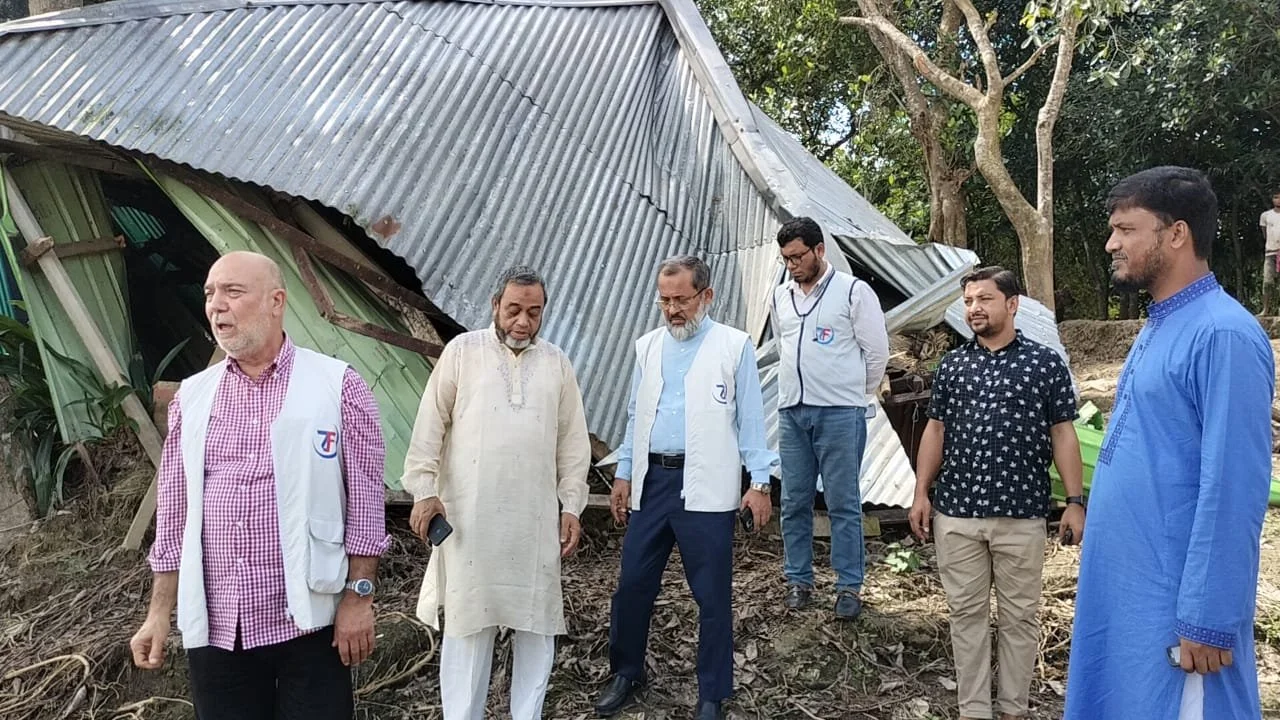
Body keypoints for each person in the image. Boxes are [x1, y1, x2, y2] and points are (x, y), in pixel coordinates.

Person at [128, 251, 389, 720]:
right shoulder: (192, 396)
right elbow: (174, 513)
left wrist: (358, 597)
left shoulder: (337, 386)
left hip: (309, 621)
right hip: (218, 626)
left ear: (276, 301)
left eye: (232, 291)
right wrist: (158, 612)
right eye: (210, 293)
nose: (216, 306)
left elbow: (366, 508)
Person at [1065, 167, 1274, 719]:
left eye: (1125, 229)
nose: (1111, 243)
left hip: (1177, 615)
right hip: (1127, 591)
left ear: (1176, 234)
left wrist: (1209, 616)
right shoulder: (1161, 323)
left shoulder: (1222, 334)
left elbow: (1233, 489)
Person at [402, 266, 591, 720]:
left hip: (533, 518)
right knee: (468, 625)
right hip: (470, 517)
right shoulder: (463, 352)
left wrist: (572, 506)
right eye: (513, 310)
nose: (522, 321)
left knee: (537, 625)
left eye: (533, 312)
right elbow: (430, 427)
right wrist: (424, 491)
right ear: (494, 306)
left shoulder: (557, 363)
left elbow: (573, 443)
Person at [594, 255, 778, 720]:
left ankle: (712, 692)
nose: (673, 309)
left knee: (712, 594)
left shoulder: (733, 347)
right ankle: (627, 670)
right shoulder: (648, 347)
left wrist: (758, 482)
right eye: (665, 300)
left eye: (682, 299)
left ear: (706, 296)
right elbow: (638, 415)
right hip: (653, 483)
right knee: (633, 584)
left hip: (707, 484)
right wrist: (625, 470)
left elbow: (752, 422)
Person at [909, 266, 1085, 720]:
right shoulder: (953, 365)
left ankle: (1012, 708)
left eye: (984, 299)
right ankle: (973, 711)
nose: (974, 309)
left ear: (1012, 304)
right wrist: (921, 492)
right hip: (958, 514)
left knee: (1019, 619)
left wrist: (1074, 501)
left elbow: (1062, 433)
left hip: (1020, 514)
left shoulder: (1044, 364)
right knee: (965, 618)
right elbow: (936, 429)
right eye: (968, 301)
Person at [768, 217, 889, 618]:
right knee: (794, 499)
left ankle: (849, 586)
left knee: (843, 501)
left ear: (820, 250)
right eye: (786, 259)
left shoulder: (853, 292)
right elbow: (784, 348)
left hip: (839, 412)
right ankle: (799, 579)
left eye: (799, 256)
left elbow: (876, 354)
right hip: (792, 411)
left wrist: (854, 394)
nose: (793, 265)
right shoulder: (781, 296)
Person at [1260, 190, 1280, 315]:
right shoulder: (1265, 215)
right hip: (1270, 252)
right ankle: (1266, 309)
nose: (1278, 199)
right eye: (1275, 197)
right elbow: (1264, 232)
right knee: (1267, 281)